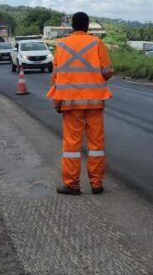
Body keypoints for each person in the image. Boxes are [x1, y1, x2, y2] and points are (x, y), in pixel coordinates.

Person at [47, 12, 113, 195]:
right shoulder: (97, 43)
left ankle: (72, 185)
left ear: (73, 26)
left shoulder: (61, 45)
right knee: (96, 144)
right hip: (95, 101)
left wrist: (56, 101)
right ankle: (97, 184)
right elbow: (107, 71)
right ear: (87, 26)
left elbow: (56, 76)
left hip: (70, 102)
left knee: (71, 146)